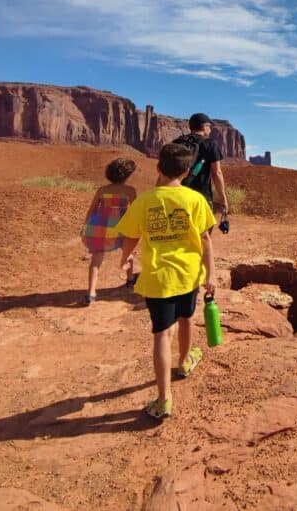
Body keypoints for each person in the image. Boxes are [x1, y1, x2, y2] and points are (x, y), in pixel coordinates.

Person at [115, 143, 215, 421]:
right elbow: (206, 238)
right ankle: (183, 363)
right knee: (187, 319)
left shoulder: (144, 201)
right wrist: (212, 273)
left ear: (158, 168)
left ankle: (164, 399)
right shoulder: (195, 200)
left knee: (161, 334)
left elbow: (131, 236)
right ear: (186, 172)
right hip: (188, 275)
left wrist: (125, 258)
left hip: (158, 279)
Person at [81, 158, 137, 304]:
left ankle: (91, 293)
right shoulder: (130, 191)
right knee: (128, 254)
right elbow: (135, 211)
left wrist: (85, 227)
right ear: (127, 175)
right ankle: (130, 280)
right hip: (120, 228)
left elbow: (92, 209)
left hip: (99, 228)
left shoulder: (102, 190)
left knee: (96, 261)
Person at [173, 113, 229, 220]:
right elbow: (217, 173)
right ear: (204, 127)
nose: (210, 129)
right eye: (209, 126)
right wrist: (223, 199)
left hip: (176, 196)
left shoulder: (176, 142)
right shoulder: (210, 144)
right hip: (201, 197)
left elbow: (165, 171)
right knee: (203, 233)